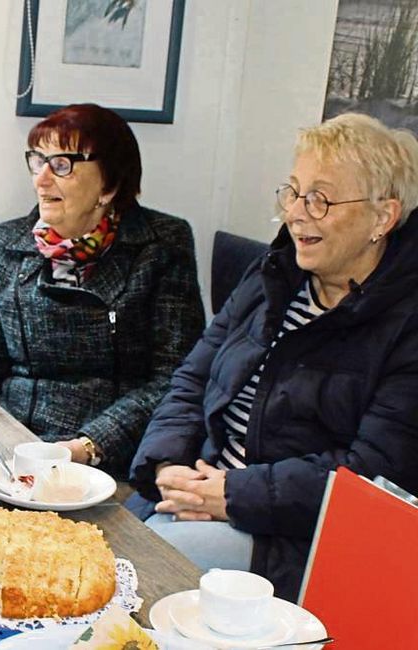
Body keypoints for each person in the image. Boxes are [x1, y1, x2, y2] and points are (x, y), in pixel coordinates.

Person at [128, 113, 418, 602]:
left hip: (293, 539)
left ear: (382, 217)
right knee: (87, 551)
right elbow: (191, 382)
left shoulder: (406, 325)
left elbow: (372, 475)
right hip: (200, 491)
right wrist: (165, 465)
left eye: (319, 199)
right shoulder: (270, 279)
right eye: (293, 192)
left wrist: (233, 495)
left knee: (137, 575)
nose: (296, 213)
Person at [0, 103, 204, 475]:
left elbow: (175, 378)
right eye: (38, 161)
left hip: (108, 453)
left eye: (61, 165)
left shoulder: (162, 246)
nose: (41, 179)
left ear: (109, 183)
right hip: (15, 441)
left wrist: (88, 446)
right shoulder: (5, 243)